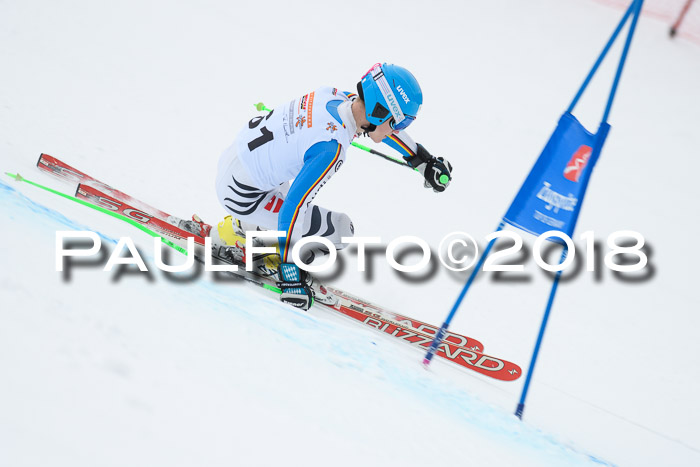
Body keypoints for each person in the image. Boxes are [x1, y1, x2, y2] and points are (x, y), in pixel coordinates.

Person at [213, 63, 453, 311]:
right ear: (381, 112)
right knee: (340, 230)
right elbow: (294, 208)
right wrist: (290, 277)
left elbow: (377, 122)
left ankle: (243, 230)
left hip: (237, 166)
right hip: (244, 195)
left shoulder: (335, 96)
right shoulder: (330, 148)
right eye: (400, 123)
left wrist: (423, 161)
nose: (398, 130)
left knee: (296, 206)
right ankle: (268, 256)